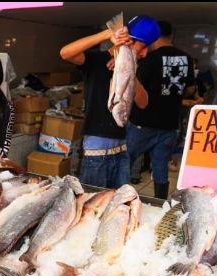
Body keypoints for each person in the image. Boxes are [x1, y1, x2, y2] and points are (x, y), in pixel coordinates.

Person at [60, 15, 160, 189]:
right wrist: (108, 33)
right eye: (143, 46)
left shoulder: (134, 66)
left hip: (122, 149)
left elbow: (143, 103)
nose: (144, 53)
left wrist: (129, 70)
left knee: (119, 199)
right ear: (129, 40)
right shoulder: (97, 61)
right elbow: (65, 53)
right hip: (96, 151)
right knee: (94, 200)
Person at [127, 21, 195, 199]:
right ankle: (159, 204)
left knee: (125, 161)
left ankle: (120, 198)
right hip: (170, 124)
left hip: (143, 123)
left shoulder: (150, 58)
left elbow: (136, 89)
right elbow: (190, 89)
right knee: (160, 167)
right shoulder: (187, 58)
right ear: (172, 35)